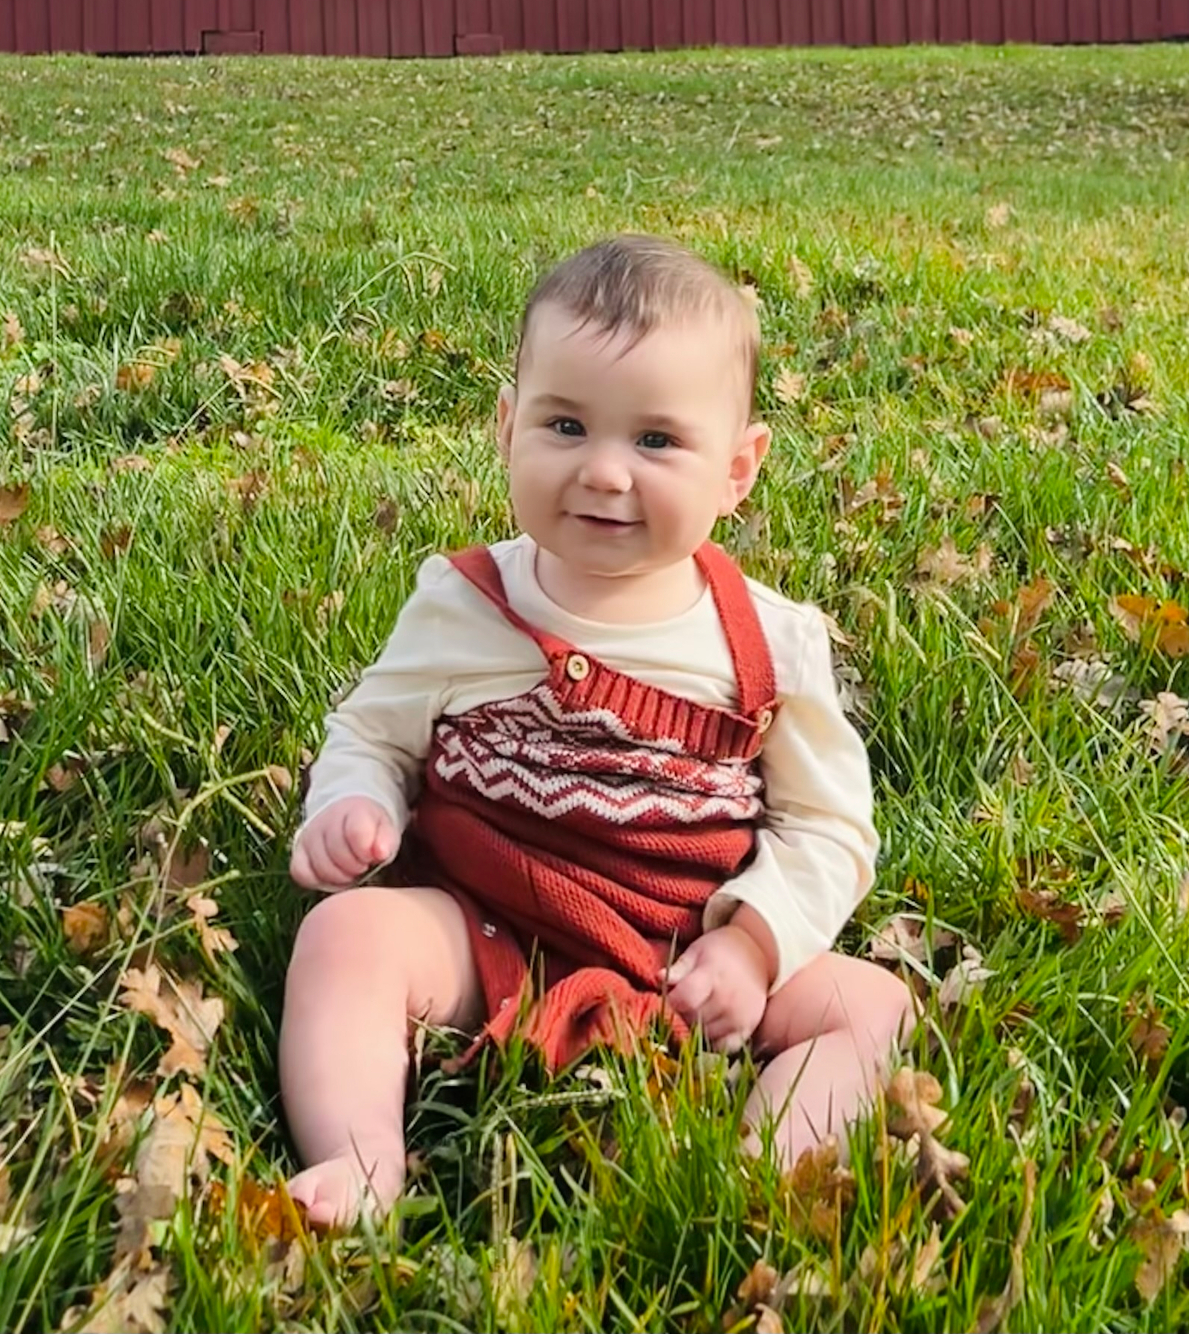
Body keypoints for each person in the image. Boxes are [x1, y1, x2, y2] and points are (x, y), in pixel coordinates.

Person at [281, 234, 915, 1228]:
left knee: (870, 1006)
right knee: (344, 935)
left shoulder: (770, 641)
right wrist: (352, 797)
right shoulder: (464, 600)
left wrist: (751, 944)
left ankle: (754, 1174)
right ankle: (360, 1158)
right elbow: (374, 730)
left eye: (656, 440)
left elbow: (827, 830)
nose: (605, 472)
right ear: (505, 427)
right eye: (565, 424)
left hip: (685, 958)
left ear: (738, 468)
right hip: (490, 931)